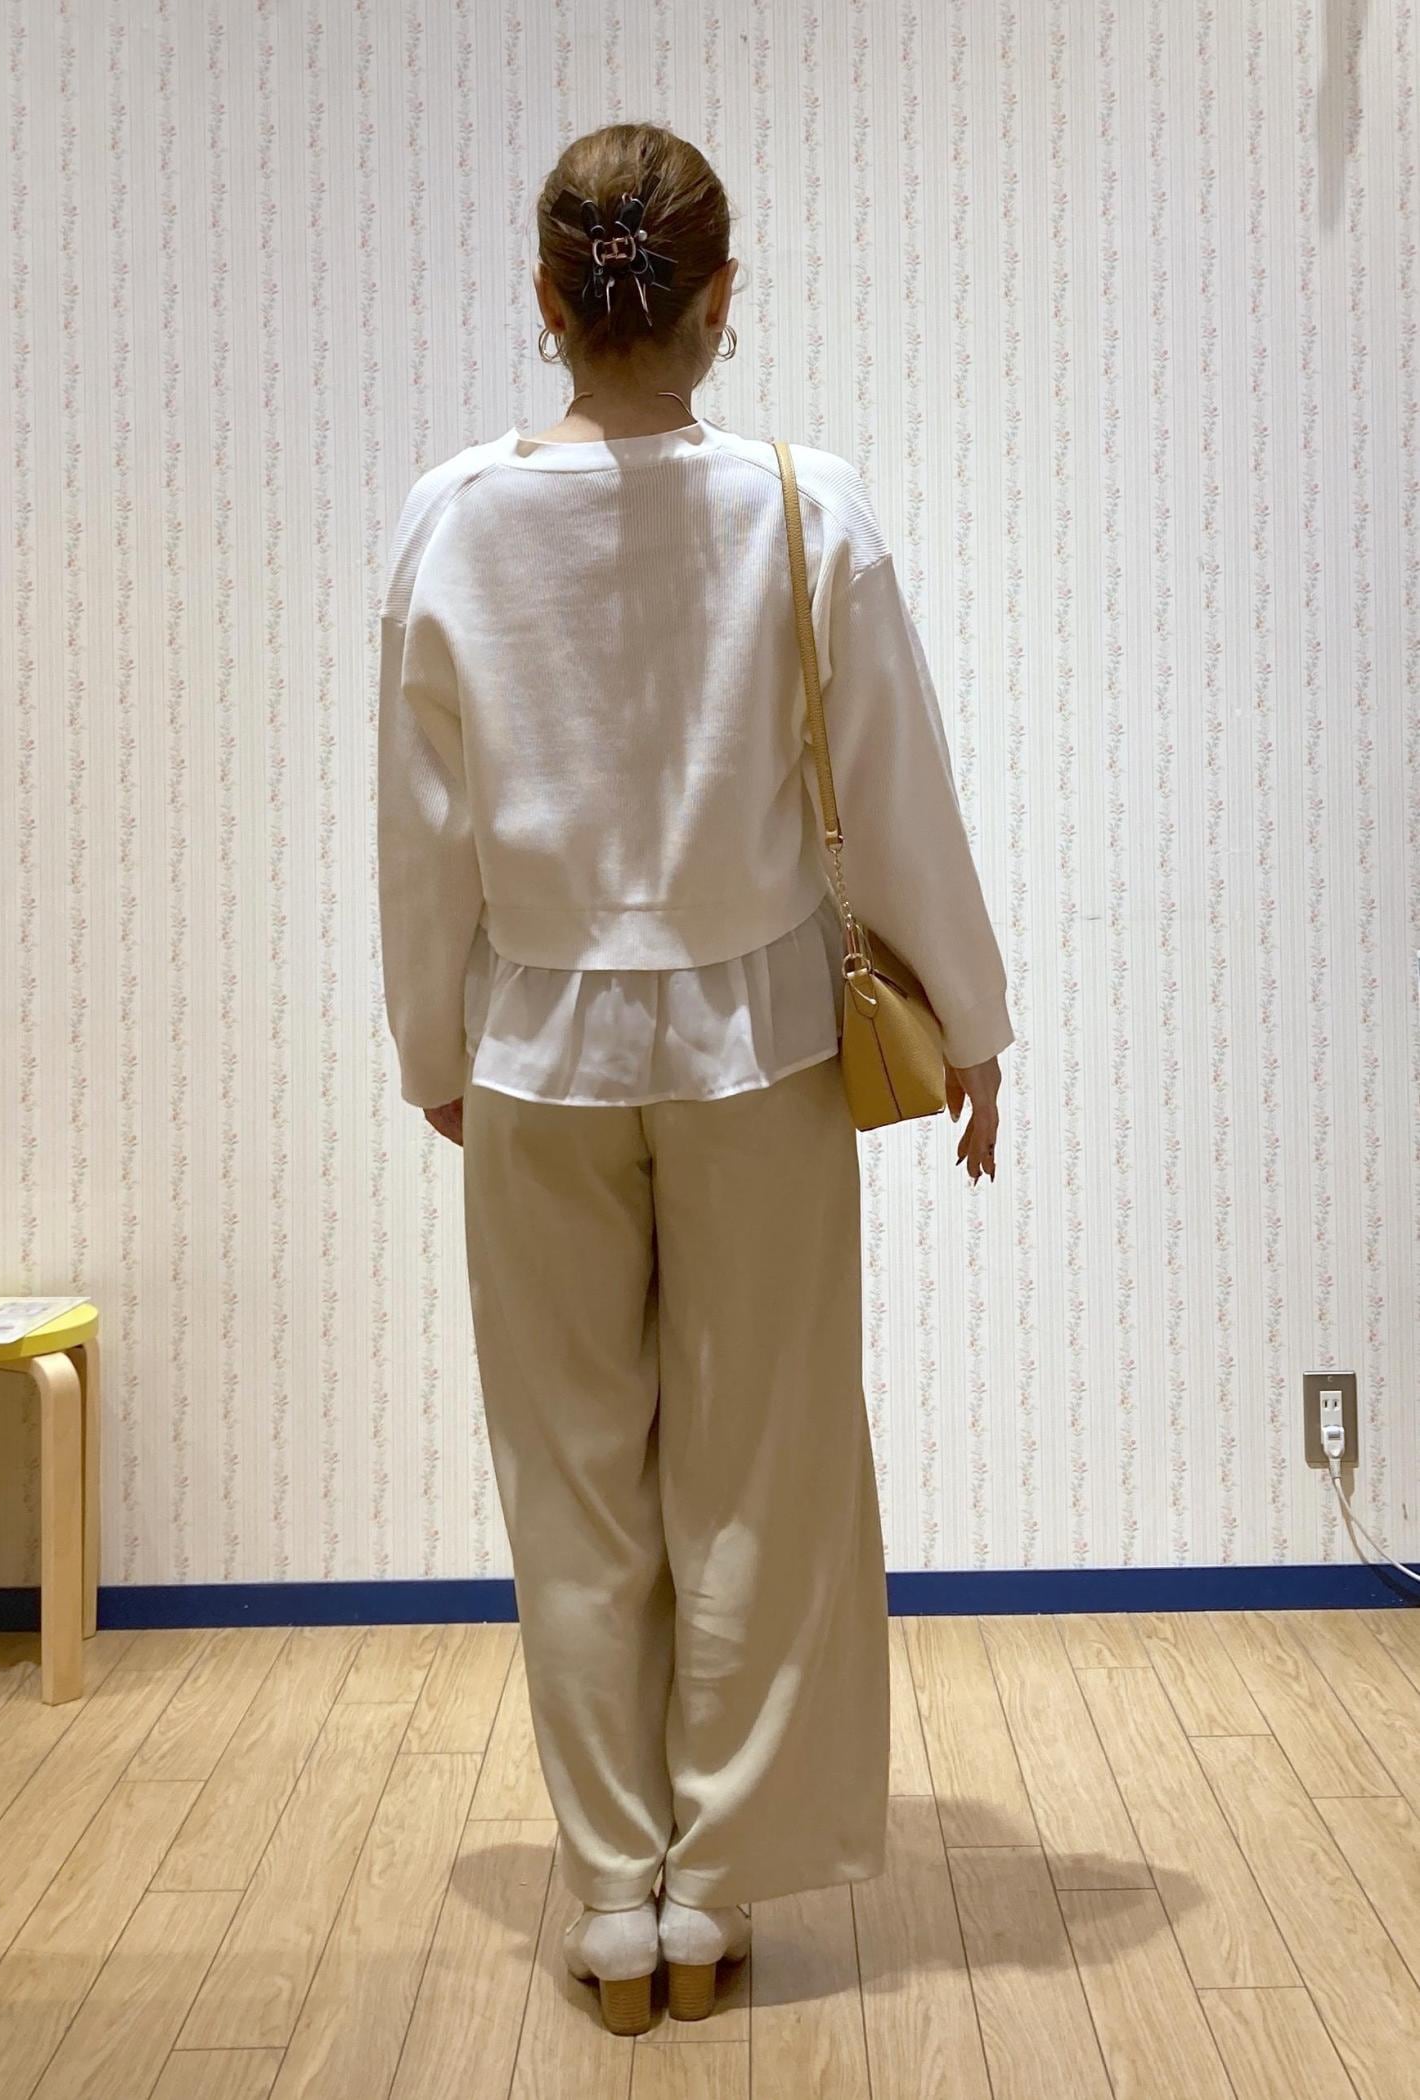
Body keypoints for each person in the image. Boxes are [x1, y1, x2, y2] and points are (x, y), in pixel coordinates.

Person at [376, 121, 1012, 2036]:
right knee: (760, 1470)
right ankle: (712, 1891)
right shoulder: (807, 507)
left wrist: (431, 1044)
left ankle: (609, 1902)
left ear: (547, 296)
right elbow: (895, 786)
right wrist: (973, 1021)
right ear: (720, 298)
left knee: (571, 1478)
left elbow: (423, 830)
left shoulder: (450, 519)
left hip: (536, 1051)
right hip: (761, 1050)